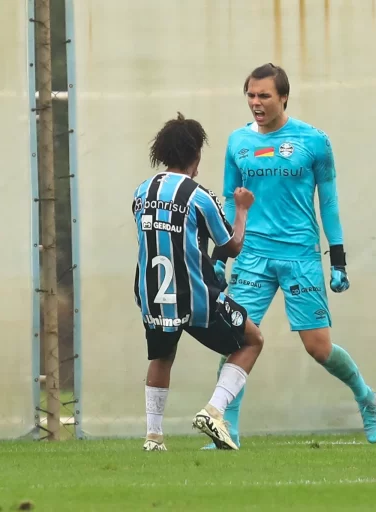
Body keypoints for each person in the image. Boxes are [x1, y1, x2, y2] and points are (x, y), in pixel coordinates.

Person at [203, 63, 376, 449]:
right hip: (252, 255)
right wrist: (219, 256)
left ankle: (366, 397)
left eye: (264, 95)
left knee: (318, 348)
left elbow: (329, 201)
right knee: (236, 337)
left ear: (283, 97)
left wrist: (338, 259)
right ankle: (225, 427)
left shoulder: (313, 141)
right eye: (251, 95)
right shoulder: (237, 142)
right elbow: (226, 200)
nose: (256, 102)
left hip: (300, 255)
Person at [133, 113, 264, 452]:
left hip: (153, 294)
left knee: (162, 356)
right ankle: (214, 411)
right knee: (252, 340)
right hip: (196, 294)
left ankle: (153, 437)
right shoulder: (197, 195)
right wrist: (242, 209)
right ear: (195, 154)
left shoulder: (142, 192)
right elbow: (231, 244)